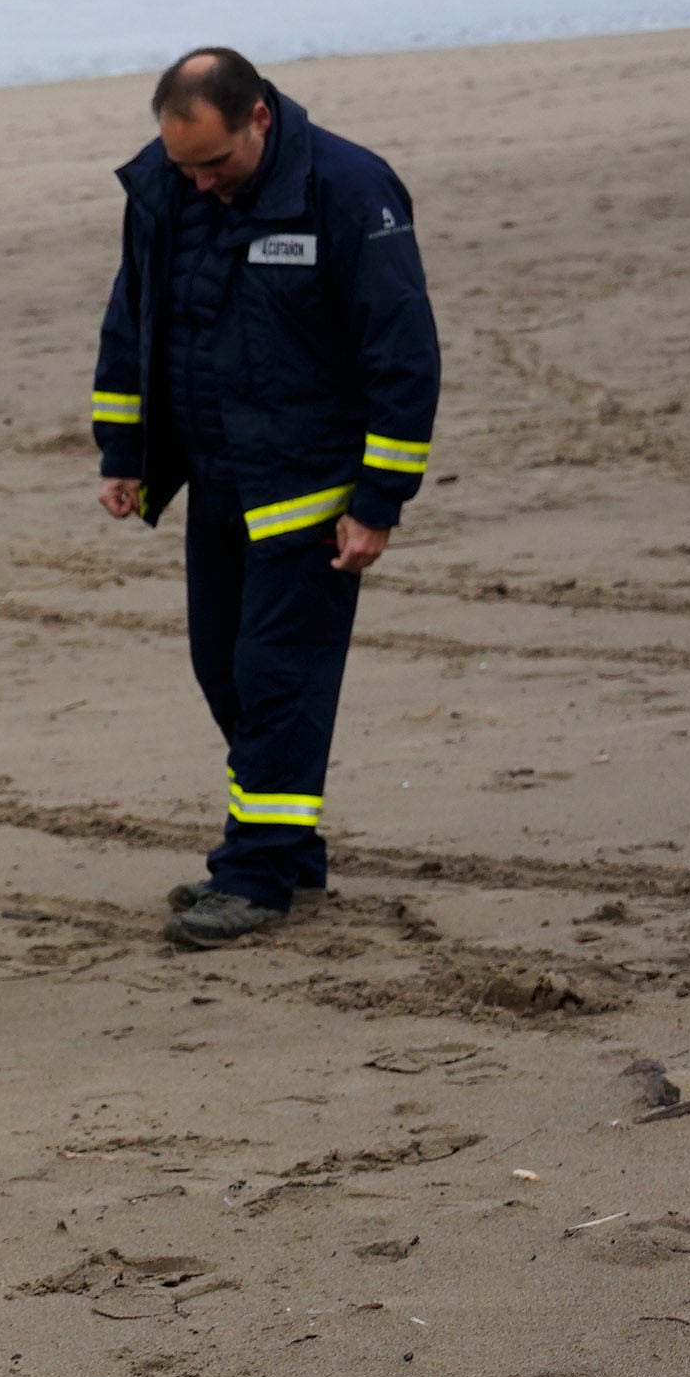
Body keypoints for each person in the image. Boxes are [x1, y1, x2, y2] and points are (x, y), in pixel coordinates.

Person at [88, 49, 440, 948]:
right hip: (215, 481)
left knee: (276, 680)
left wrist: (378, 501)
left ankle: (253, 878)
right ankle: (287, 848)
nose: (200, 183)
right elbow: (133, 316)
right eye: (184, 167)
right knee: (223, 670)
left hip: (312, 494)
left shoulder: (352, 192)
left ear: (259, 119)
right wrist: (122, 450)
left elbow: (402, 353)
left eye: (215, 164)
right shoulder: (165, 186)